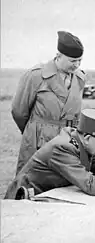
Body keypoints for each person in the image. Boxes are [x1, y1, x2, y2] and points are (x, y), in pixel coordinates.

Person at [4, 108, 95, 199]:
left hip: (50, 194)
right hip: (27, 198)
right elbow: (90, 185)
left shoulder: (80, 140)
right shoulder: (63, 148)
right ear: (88, 137)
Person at [12, 30, 86, 175]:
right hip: (37, 141)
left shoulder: (80, 78)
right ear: (58, 56)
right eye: (72, 61)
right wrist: (33, 131)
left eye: (80, 60)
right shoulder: (36, 75)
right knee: (30, 184)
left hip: (66, 142)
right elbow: (19, 112)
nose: (77, 65)